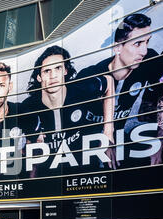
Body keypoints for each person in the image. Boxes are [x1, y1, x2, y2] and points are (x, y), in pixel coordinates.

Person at [76, 13, 163, 167]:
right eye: (137, 44)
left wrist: (159, 141)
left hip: (118, 143)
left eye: (147, 42)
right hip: (83, 150)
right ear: (118, 47)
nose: (144, 51)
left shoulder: (148, 62)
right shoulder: (90, 75)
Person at [21, 45, 115, 177]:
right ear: (39, 77)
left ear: (65, 70)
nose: (53, 76)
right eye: (47, 71)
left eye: (58, 68)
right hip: (51, 174)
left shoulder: (79, 89)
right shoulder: (30, 106)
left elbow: (109, 82)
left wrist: (108, 132)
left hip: (83, 171)